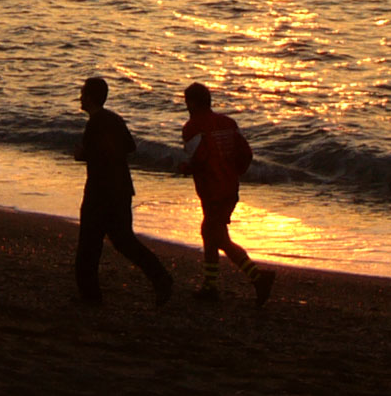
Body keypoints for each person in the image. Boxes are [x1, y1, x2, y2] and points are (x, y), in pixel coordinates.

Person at [73, 76, 173, 307]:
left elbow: (96, 152)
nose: (80, 97)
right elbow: (129, 146)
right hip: (121, 189)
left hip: (100, 191)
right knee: (124, 241)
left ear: (90, 97)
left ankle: (90, 297)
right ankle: (161, 278)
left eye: (83, 93)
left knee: (89, 245)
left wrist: (83, 154)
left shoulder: (96, 122)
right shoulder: (114, 119)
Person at [177, 81, 275, 305]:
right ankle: (210, 286)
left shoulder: (192, 127)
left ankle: (257, 276)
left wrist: (186, 168)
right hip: (230, 188)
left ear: (192, 103)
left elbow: (200, 158)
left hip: (212, 190)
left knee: (216, 235)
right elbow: (246, 154)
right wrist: (233, 173)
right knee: (211, 233)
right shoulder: (228, 123)